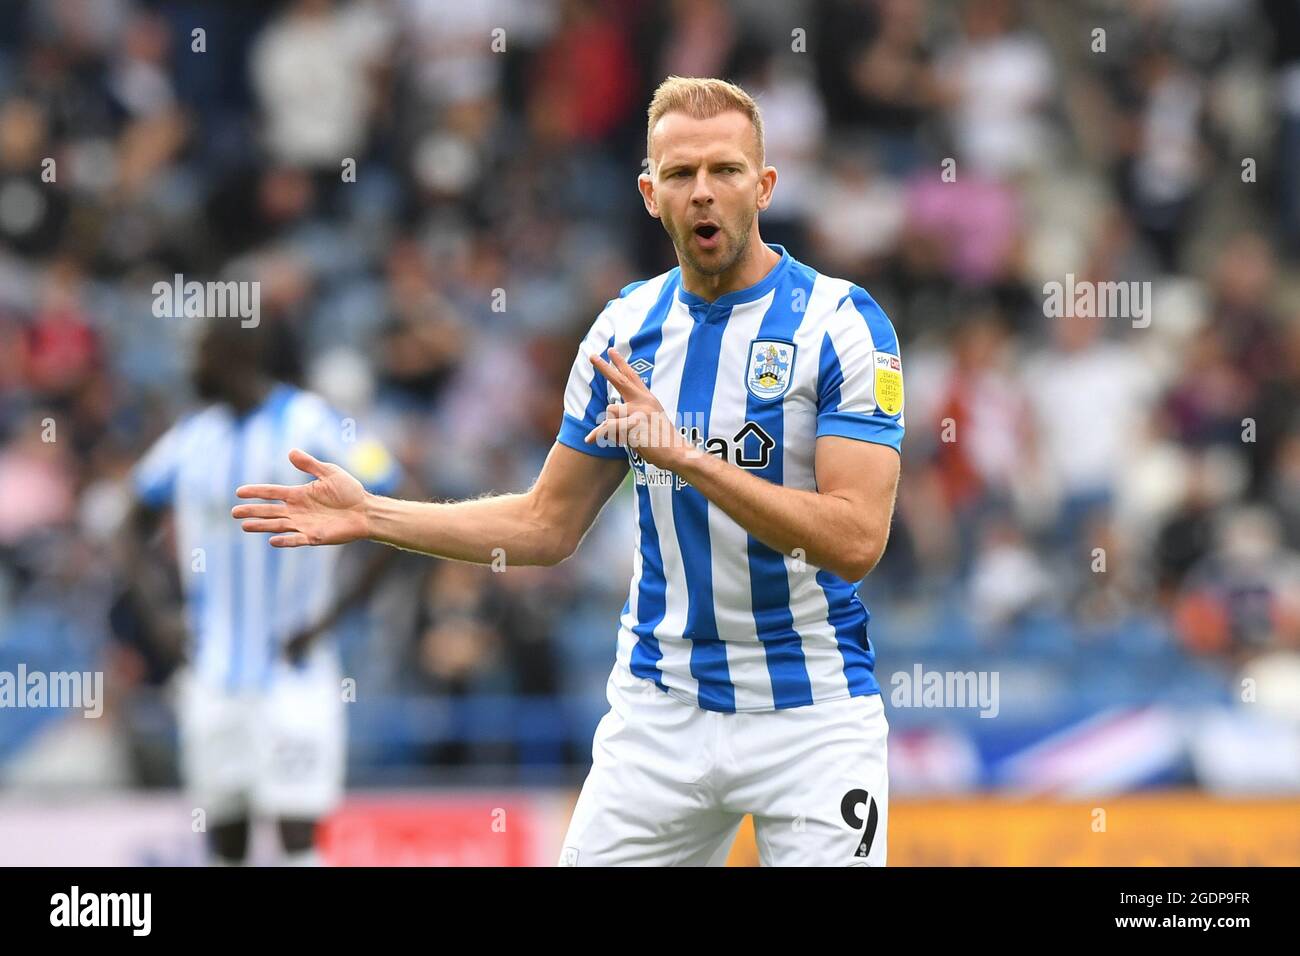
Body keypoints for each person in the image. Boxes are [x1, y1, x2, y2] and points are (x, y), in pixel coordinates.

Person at [232, 77, 904, 866]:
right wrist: (376, 514)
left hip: (811, 715)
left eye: (725, 171)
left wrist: (685, 457)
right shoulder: (623, 332)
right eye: (681, 175)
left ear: (765, 185)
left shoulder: (842, 325)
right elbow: (546, 528)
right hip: (662, 712)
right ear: (650, 194)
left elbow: (856, 539)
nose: (704, 194)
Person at [127, 319, 399, 865]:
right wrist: (159, 611)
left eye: (201, 350)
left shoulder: (312, 421)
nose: (191, 365)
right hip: (212, 675)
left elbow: (398, 500)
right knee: (225, 840)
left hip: (293, 674)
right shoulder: (191, 436)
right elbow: (130, 521)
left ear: (236, 351)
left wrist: (330, 618)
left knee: (297, 835)